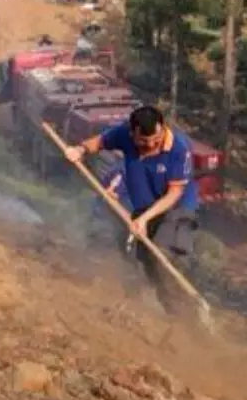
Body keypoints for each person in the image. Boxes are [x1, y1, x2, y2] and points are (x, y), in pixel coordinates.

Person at [64, 106, 199, 315]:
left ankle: (185, 313)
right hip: (144, 209)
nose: (151, 145)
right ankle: (159, 307)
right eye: (143, 142)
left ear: (162, 128)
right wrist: (79, 150)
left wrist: (144, 219)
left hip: (176, 209)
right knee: (142, 260)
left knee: (163, 257)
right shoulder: (123, 134)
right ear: (132, 133)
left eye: (155, 138)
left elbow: (174, 194)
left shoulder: (178, 149)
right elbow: (99, 143)